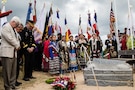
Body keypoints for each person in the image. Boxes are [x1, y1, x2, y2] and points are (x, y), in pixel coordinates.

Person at [0, 16, 21, 90]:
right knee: (7, 72)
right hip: (7, 52)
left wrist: (17, 45)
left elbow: (17, 38)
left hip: (13, 53)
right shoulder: (6, 27)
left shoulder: (13, 29)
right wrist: (17, 45)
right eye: (16, 24)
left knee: (13, 71)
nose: (16, 26)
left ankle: (12, 85)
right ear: (13, 22)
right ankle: (7, 86)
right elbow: (10, 39)